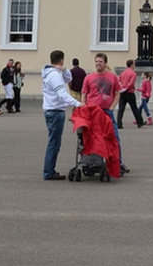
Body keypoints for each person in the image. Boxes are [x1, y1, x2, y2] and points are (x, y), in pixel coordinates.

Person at [84, 54, 128, 173]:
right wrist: (84, 108)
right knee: (92, 137)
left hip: (107, 111)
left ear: (105, 63)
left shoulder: (112, 77)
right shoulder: (89, 77)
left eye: (101, 61)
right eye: (96, 61)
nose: (98, 63)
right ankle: (91, 161)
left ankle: (118, 162)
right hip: (92, 111)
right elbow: (84, 94)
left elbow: (117, 92)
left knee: (113, 137)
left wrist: (113, 106)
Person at [41, 49, 80, 181]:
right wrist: (78, 104)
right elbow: (62, 94)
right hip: (56, 110)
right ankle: (49, 171)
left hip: (50, 109)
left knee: (54, 141)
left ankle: (49, 169)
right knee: (54, 143)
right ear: (61, 59)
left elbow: (69, 78)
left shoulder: (49, 73)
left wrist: (64, 69)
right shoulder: (54, 75)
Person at [117, 59, 145, 130]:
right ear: (132, 65)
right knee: (134, 108)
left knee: (121, 108)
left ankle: (119, 123)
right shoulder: (133, 73)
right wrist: (126, 87)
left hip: (122, 92)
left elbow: (118, 80)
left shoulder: (123, 73)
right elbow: (131, 83)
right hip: (129, 92)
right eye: (134, 64)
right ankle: (140, 122)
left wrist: (121, 88)